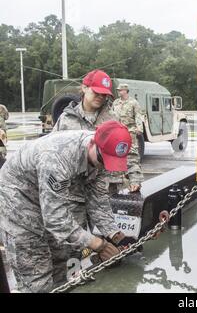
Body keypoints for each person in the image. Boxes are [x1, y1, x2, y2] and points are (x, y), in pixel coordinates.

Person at [0, 121, 131, 292]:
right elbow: (55, 219)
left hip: (49, 198)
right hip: (19, 201)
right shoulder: (57, 158)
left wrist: (114, 233)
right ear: (92, 143)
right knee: (37, 276)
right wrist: (99, 245)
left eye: (111, 163)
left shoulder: (102, 155)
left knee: (64, 261)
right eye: (103, 160)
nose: (105, 166)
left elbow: (98, 199)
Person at [113, 84, 145, 192]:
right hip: (118, 132)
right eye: (118, 90)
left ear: (126, 90)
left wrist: (139, 128)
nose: (119, 91)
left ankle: (136, 181)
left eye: (121, 90)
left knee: (132, 156)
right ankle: (120, 180)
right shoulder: (116, 102)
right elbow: (112, 116)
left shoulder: (133, 102)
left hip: (130, 131)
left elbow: (139, 115)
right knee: (118, 155)